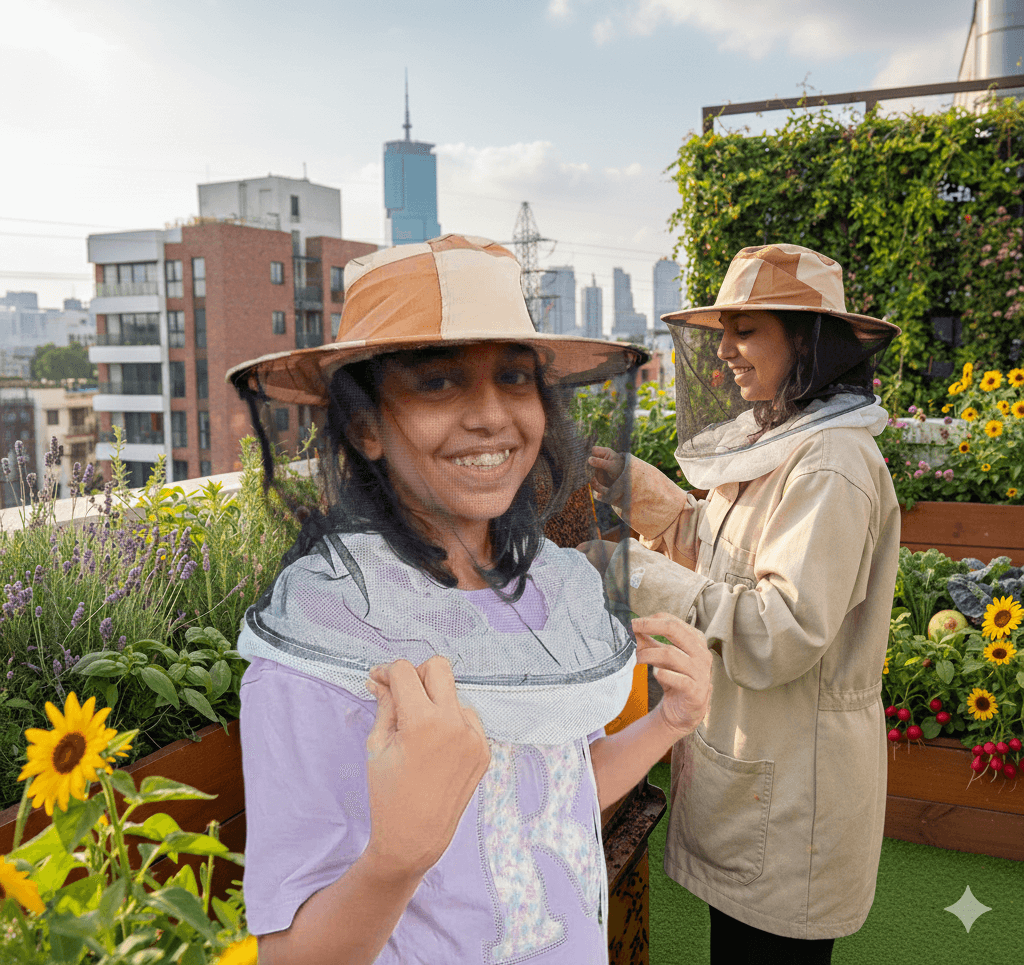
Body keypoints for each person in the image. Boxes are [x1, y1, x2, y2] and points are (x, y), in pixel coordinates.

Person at [226, 234, 713, 965]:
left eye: (515, 379)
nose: (492, 415)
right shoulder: (322, 644)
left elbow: (554, 801)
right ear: (364, 428)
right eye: (438, 382)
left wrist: (668, 725)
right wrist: (395, 859)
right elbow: (289, 956)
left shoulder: (545, 592)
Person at [582, 244, 902, 963]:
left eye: (746, 329)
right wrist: (657, 502)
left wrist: (623, 568)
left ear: (808, 342)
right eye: (723, 330)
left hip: (794, 799)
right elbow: (734, 559)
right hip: (761, 775)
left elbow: (777, 629)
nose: (724, 349)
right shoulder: (786, 440)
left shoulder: (831, 462)